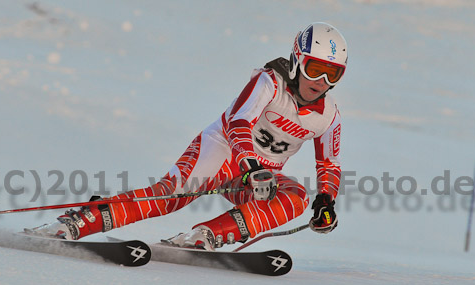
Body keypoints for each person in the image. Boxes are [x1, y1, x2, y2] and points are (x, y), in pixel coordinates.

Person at [28, 22, 346, 251]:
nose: (320, 81)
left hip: (254, 178)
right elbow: (238, 121)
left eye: (332, 74)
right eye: (315, 68)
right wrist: (251, 165)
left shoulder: (329, 115)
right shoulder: (270, 82)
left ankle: (207, 235)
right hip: (223, 153)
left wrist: (326, 200)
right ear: (297, 59)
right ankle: (74, 224)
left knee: (295, 197)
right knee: (168, 197)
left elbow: (329, 164)